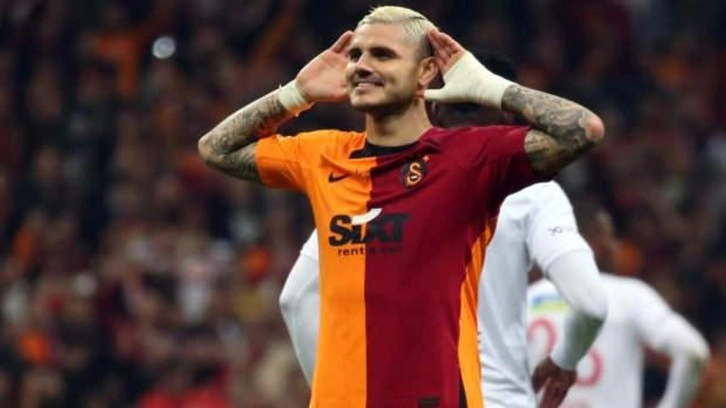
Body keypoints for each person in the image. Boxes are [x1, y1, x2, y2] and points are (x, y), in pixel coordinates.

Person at [198, 5, 605, 407]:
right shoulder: (324, 155)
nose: (362, 65)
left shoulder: (469, 158)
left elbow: (582, 130)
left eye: (383, 55)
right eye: (356, 55)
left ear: (426, 72)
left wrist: (493, 88)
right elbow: (216, 149)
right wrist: (295, 94)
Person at [279, 53, 608, 408]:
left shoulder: (379, 185)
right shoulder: (535, 192)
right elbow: (590, 304)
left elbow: (295, 299)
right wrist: (565, 359)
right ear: (510, 117)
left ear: (435, 110)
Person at [528, 206, 710, 408]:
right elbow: (692, 350)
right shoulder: (630, 296)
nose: (615, 247)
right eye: (609, 237)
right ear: (589, 241)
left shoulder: (528, 298)